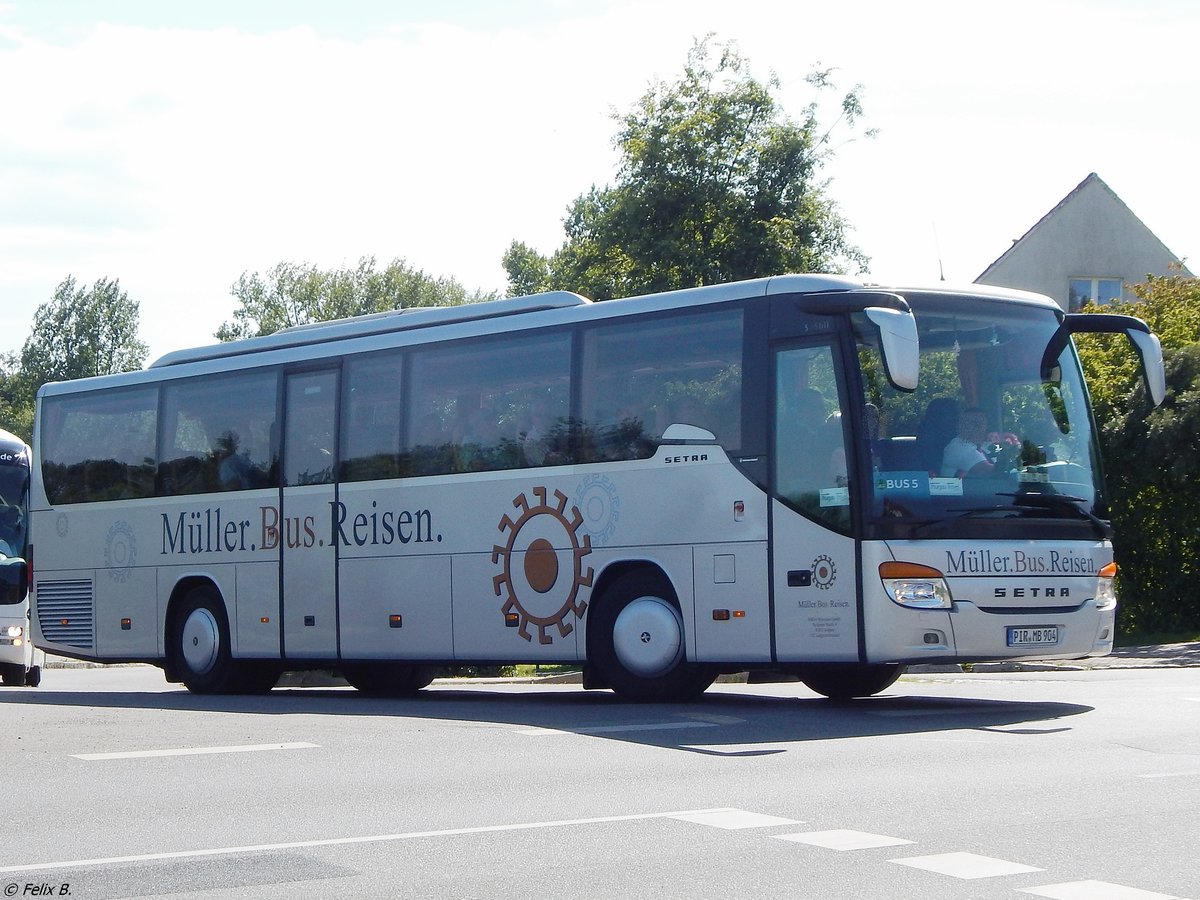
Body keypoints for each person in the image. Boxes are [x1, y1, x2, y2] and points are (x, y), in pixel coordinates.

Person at [941, 407, 995, 477]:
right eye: (971, 422)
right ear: (961, 426)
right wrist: (1006, 465)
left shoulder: (990, 446)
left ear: (987, 424)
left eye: (981, 421)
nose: (977, 425)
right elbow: (986, 469)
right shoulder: (957, 446)